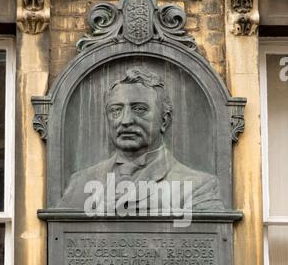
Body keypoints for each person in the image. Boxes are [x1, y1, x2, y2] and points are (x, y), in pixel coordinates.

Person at [59, 68, 224, 212]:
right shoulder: (80, 183)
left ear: (164, 120)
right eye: (115, 110)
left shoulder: (198, 187)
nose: (125, 121)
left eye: (139, 109)